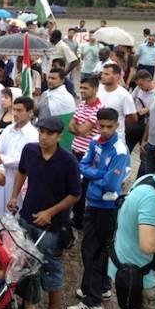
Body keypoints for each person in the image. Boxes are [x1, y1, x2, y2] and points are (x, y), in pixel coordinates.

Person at [8, 116, 81, 309]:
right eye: (41, 132)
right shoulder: (29, 150)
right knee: (24, 264)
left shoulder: (69, 161)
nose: (44, 137)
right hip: (26, 218)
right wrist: (14, 197)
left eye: (49, 133)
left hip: (53, 227)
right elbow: (21, 172)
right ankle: (27, 304)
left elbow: (75, 194)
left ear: (59, 136)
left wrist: (50, 212)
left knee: (52, 270)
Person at [67, 108, 130, 309]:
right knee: (93, 249)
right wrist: (100, 173)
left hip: (107, 208)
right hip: (92, 203)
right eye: (101, 126)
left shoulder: (120, 151)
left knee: (95, 251)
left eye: (109, 127)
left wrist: (94, 174)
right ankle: (99, 288)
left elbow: (112, 183)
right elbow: (81, 165)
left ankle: (93, 303)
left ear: (116, 125)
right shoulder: (94, 141)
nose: (104, 130)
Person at [108, 157, 155, 309]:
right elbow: (148, 245)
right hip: (137, 278)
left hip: (120, 266)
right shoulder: (154, 200)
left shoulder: (149, 179)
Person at [0, 96, 38, 217]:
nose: (16, 113)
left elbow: (22, 162)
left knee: (15, 213)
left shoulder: (33, 135)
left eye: (20, 110)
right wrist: (4, 159)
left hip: (19, 179)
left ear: (30, 113)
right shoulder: (8, 129)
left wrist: (3, 159)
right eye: (14, 110)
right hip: (2, 174)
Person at [69, 75, 103, 230]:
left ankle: (79, 220)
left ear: (95, 89)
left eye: (85, 88)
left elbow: (81, 130)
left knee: (81, 188)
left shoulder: (99, 109)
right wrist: (79, 129)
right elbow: (71, 127)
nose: (81, 90)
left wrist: (78, 128)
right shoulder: (82, 104)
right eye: (81, 87)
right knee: (72, 184)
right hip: (75, 149)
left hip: (87, 155)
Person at [37, 68, 76, 150]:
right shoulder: (45, 94)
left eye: (53, 78)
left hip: (56, 138)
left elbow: (66, 123)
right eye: (49, 78)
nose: (50, 81)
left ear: (62, 80)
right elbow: (39, 112)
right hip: (42, 134)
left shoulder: (67, 98)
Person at [98, 64, 137, 140]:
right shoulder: (98, 89)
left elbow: (133, 118)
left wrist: (119, 126)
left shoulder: (124, 95)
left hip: (115, 139)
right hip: (98, 138)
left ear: (116, 76)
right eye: (102, 73)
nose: (102, 76)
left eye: (106, 74)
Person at [127, 69, 155, 152]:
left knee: (144, 152)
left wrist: (149, 110)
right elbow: (130, 99)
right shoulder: (138, 88)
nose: (140, 87)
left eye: (141, 84)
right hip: (136, 124)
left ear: (149, 80)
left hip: (148, 126)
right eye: (138, 85)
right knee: (127, 148)